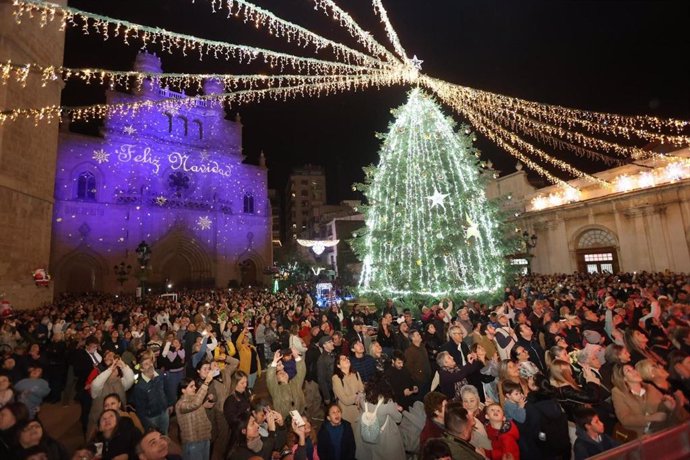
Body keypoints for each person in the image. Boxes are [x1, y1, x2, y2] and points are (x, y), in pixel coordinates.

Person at [610, 363, 675, 436]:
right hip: (645, 433)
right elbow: (625, 419)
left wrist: (668, 404)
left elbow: (662, 406)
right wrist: (650, 418)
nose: (634, 372)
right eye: (628, 371)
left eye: (633, 369)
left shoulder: (649, 387)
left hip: (665, 425)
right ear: (624, 378)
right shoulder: (618, 393)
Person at [175, 374, 214, 460]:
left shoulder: (194, 398)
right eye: (191, 386)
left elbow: (194, 408)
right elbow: (194, 404)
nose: (195, 388)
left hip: (204, 437)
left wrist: (203, 406)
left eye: (194, 386)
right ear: (183, 390)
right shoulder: (180, 404)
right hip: (193, 442)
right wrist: (206, 382)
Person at [131, 351, 170, 434]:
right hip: (151, 417)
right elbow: (140, 408)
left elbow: (166, 390)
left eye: (151, 362)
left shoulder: (160, 374)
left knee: (165, 434)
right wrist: (146, 423)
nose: (150, 365)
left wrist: (169, 404)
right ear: (141, 368)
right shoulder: (139, 386)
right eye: (146, 364)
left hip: (164, 411)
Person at [266, 348, 306, 419]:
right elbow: (270, 378)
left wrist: (296, 356)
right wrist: (274, 362)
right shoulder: (276, 390)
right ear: (276, 379)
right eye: (280, 374)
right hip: (285, 419)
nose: (283, 373)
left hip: (299, 415)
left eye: (284, 372)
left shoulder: (295, 383)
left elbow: (301, 371)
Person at [331, 355, 364, 425]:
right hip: (347, 412)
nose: (347, 360)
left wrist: (359, 394)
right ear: (338, 365)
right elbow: (345, 400)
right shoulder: (336, 378)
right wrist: (358, 394)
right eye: (343, 359)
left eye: (347, 358)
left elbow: (362, 391)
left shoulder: (356, 373)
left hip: (360, 409)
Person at [316, 336, 336, 405]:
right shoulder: (321, 360)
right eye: (329, 342)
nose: (332, 343)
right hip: (330, 390)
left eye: (332, 341)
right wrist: (327, 396)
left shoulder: (333, 353)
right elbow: (321, 380)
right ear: (324, 345)